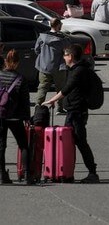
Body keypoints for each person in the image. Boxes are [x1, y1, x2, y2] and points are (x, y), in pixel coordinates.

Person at [43, 44, 100, 183]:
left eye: (65, 55)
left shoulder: (79, 71)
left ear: (71, 56)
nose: (63, 58)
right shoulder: (74, 69)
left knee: (80, 142)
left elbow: (67, 89)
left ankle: (92, 172)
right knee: (69, 142)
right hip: (73, 111)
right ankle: (67, 172)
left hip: (77, 112)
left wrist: (52, 100)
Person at [0, 49, 31, 184]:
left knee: (1, 146)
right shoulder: (20, 79)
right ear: (18, 63)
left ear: (5, 61)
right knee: (23, 145)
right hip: (15, 117)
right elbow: (25, 101)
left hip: (0, 115)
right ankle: (27, 174)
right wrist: (27, 118)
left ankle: (2, 175)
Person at [34, 17, 70, 107]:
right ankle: (60, 107)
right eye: (61, 24)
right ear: (58, 25)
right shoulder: (63, 39)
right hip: (59, 67)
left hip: (44, 66)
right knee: (60, 88)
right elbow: (67, 51)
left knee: (42, 86)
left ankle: (38, 105)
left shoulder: (42, 37)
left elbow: (36, 50)